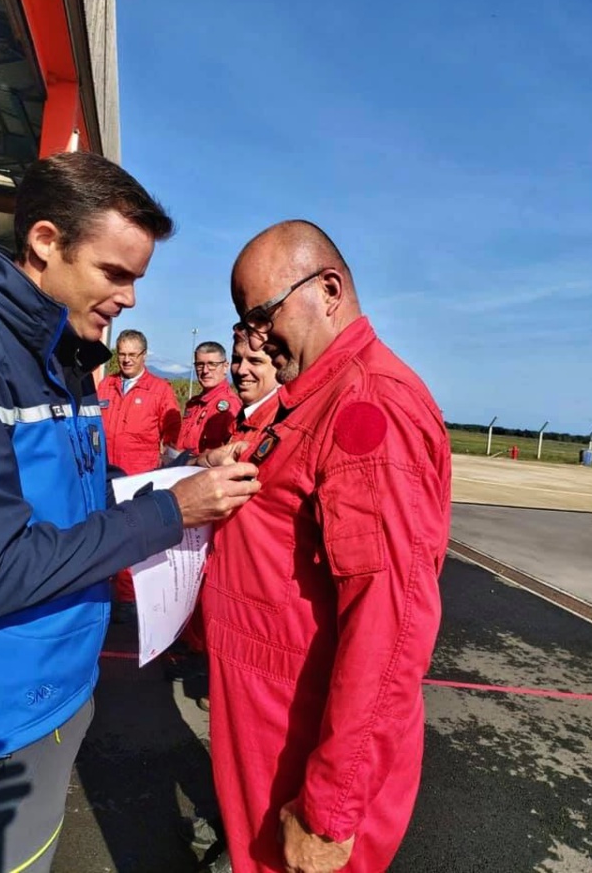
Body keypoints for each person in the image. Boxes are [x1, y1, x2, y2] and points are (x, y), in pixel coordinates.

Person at [0, 151, 259, 873]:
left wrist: (177, 475)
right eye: (117, 273)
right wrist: (170, 514)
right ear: (45, 241)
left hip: (54, 691)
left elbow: (77, 492)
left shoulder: (64, 353)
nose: (130, 299)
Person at [200, 220, 451, 873]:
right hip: (265, 724)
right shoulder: (313, 397)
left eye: (260, 316)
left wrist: (330, 809)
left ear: (329, 289)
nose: (254, 340)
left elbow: (390, 617)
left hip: (298, 737)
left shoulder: (366, 405)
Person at [98, 328, 181, 616]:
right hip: (106, 476)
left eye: (133, 355)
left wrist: (163, 471)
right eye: (121, 354)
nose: (126, 360)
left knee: (131, 536)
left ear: (144, 356)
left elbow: (172, 438)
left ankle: (129, 600)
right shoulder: (106, 387)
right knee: (103, 532)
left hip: (137, 479)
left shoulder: (160, 390)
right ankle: (102, 593)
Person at [176, 341, 242, 454]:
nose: (205, 371)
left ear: (225, 367)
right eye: (200, 365)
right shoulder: (193, 404)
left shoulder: (231, 406)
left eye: (212, 364)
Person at [229, 327, 280, 446]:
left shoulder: (280, 423)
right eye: (236, 360)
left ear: (279, 365)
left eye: (255, 361)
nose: (241, 370)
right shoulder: (244, 415)